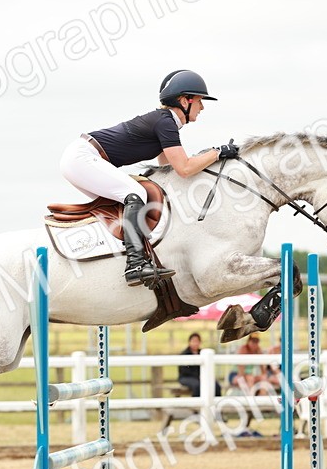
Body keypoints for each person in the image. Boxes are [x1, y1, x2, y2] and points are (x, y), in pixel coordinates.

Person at [59, 69, 239, 291]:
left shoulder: (165, 122)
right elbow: (184, 168)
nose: (202, 107)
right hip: (83, 158)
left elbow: (168, 167)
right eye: (200, 101)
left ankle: (115, 261)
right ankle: (135, 264)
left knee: (129, 200)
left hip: (82, 159)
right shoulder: (165, 122)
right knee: (135, 194)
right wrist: (218, 152)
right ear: (185, 100)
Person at [177, 332, 221, 397]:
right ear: (189, 342)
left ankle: (217, 404)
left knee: (215, 385)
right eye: (193, 341)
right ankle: (197, 405)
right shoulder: (184, 354)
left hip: (201, 376)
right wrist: (198, 376)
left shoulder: (202, 353)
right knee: (197, 385)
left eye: (197, 341)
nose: (195, 343)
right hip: (186, 377)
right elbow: (184, 371)